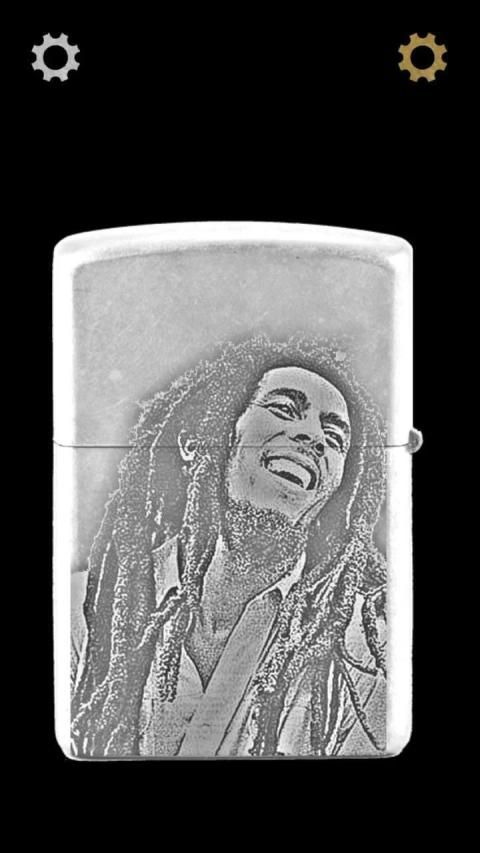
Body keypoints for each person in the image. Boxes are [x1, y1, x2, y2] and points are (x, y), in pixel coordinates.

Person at [71, 335, 387, 757]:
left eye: (334, 437)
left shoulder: (363, 657)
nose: (314, 437)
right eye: (283, 409)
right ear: (201, 439)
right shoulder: (84, 608)